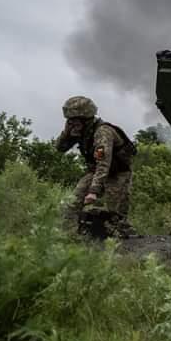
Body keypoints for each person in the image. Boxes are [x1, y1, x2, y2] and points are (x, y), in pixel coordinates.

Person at [54, 95, 137, 238]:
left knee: (115, 215)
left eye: (74, 120)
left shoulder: (102, 132)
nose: (72, 123)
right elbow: (60, 148)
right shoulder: (80, 131)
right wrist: (66, 133)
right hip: (96, 172)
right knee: (72, 203)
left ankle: (127, 242)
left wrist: (93, 191)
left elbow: (104, 163)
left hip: (117, 174)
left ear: (85, 118)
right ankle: (69, 237)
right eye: (69, 121)